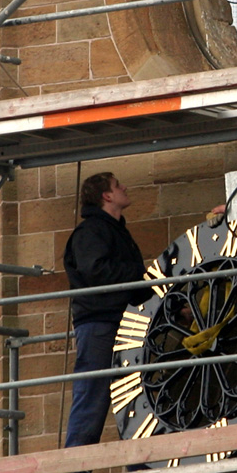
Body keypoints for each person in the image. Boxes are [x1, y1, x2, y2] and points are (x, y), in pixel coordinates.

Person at [63, 171, 145, 450]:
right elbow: (96, 271)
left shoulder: (113, 230)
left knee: (133, 393)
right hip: (100, 322)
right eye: (117, 185)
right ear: (107, 196)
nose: (125, 187)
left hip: (120, 320)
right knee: (93, 394)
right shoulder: (92, 231)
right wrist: (139, 275)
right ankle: (75, 466)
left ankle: (139, 463)